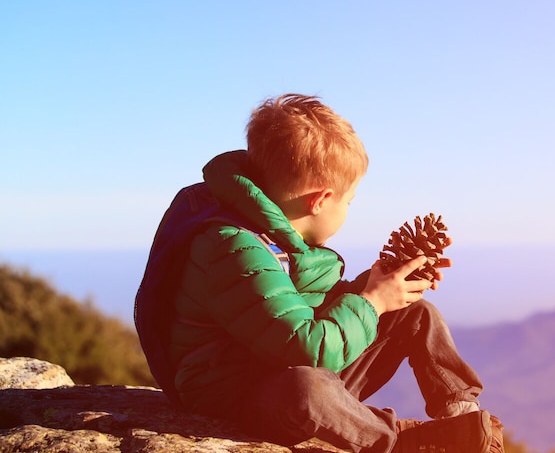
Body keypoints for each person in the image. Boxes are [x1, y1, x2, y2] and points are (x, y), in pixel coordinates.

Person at [133, 93, 500, 453]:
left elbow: (299, 306)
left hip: (281, 361)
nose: (349, 208)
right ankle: (401, 441)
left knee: (415, 314)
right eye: (349, 200)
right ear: (321, 200)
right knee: (307, 388)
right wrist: (371, 303)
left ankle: (466, 420)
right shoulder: (233, 247)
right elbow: (306, 347)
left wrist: (377, 287)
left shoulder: (276, 231)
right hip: (237, 394)